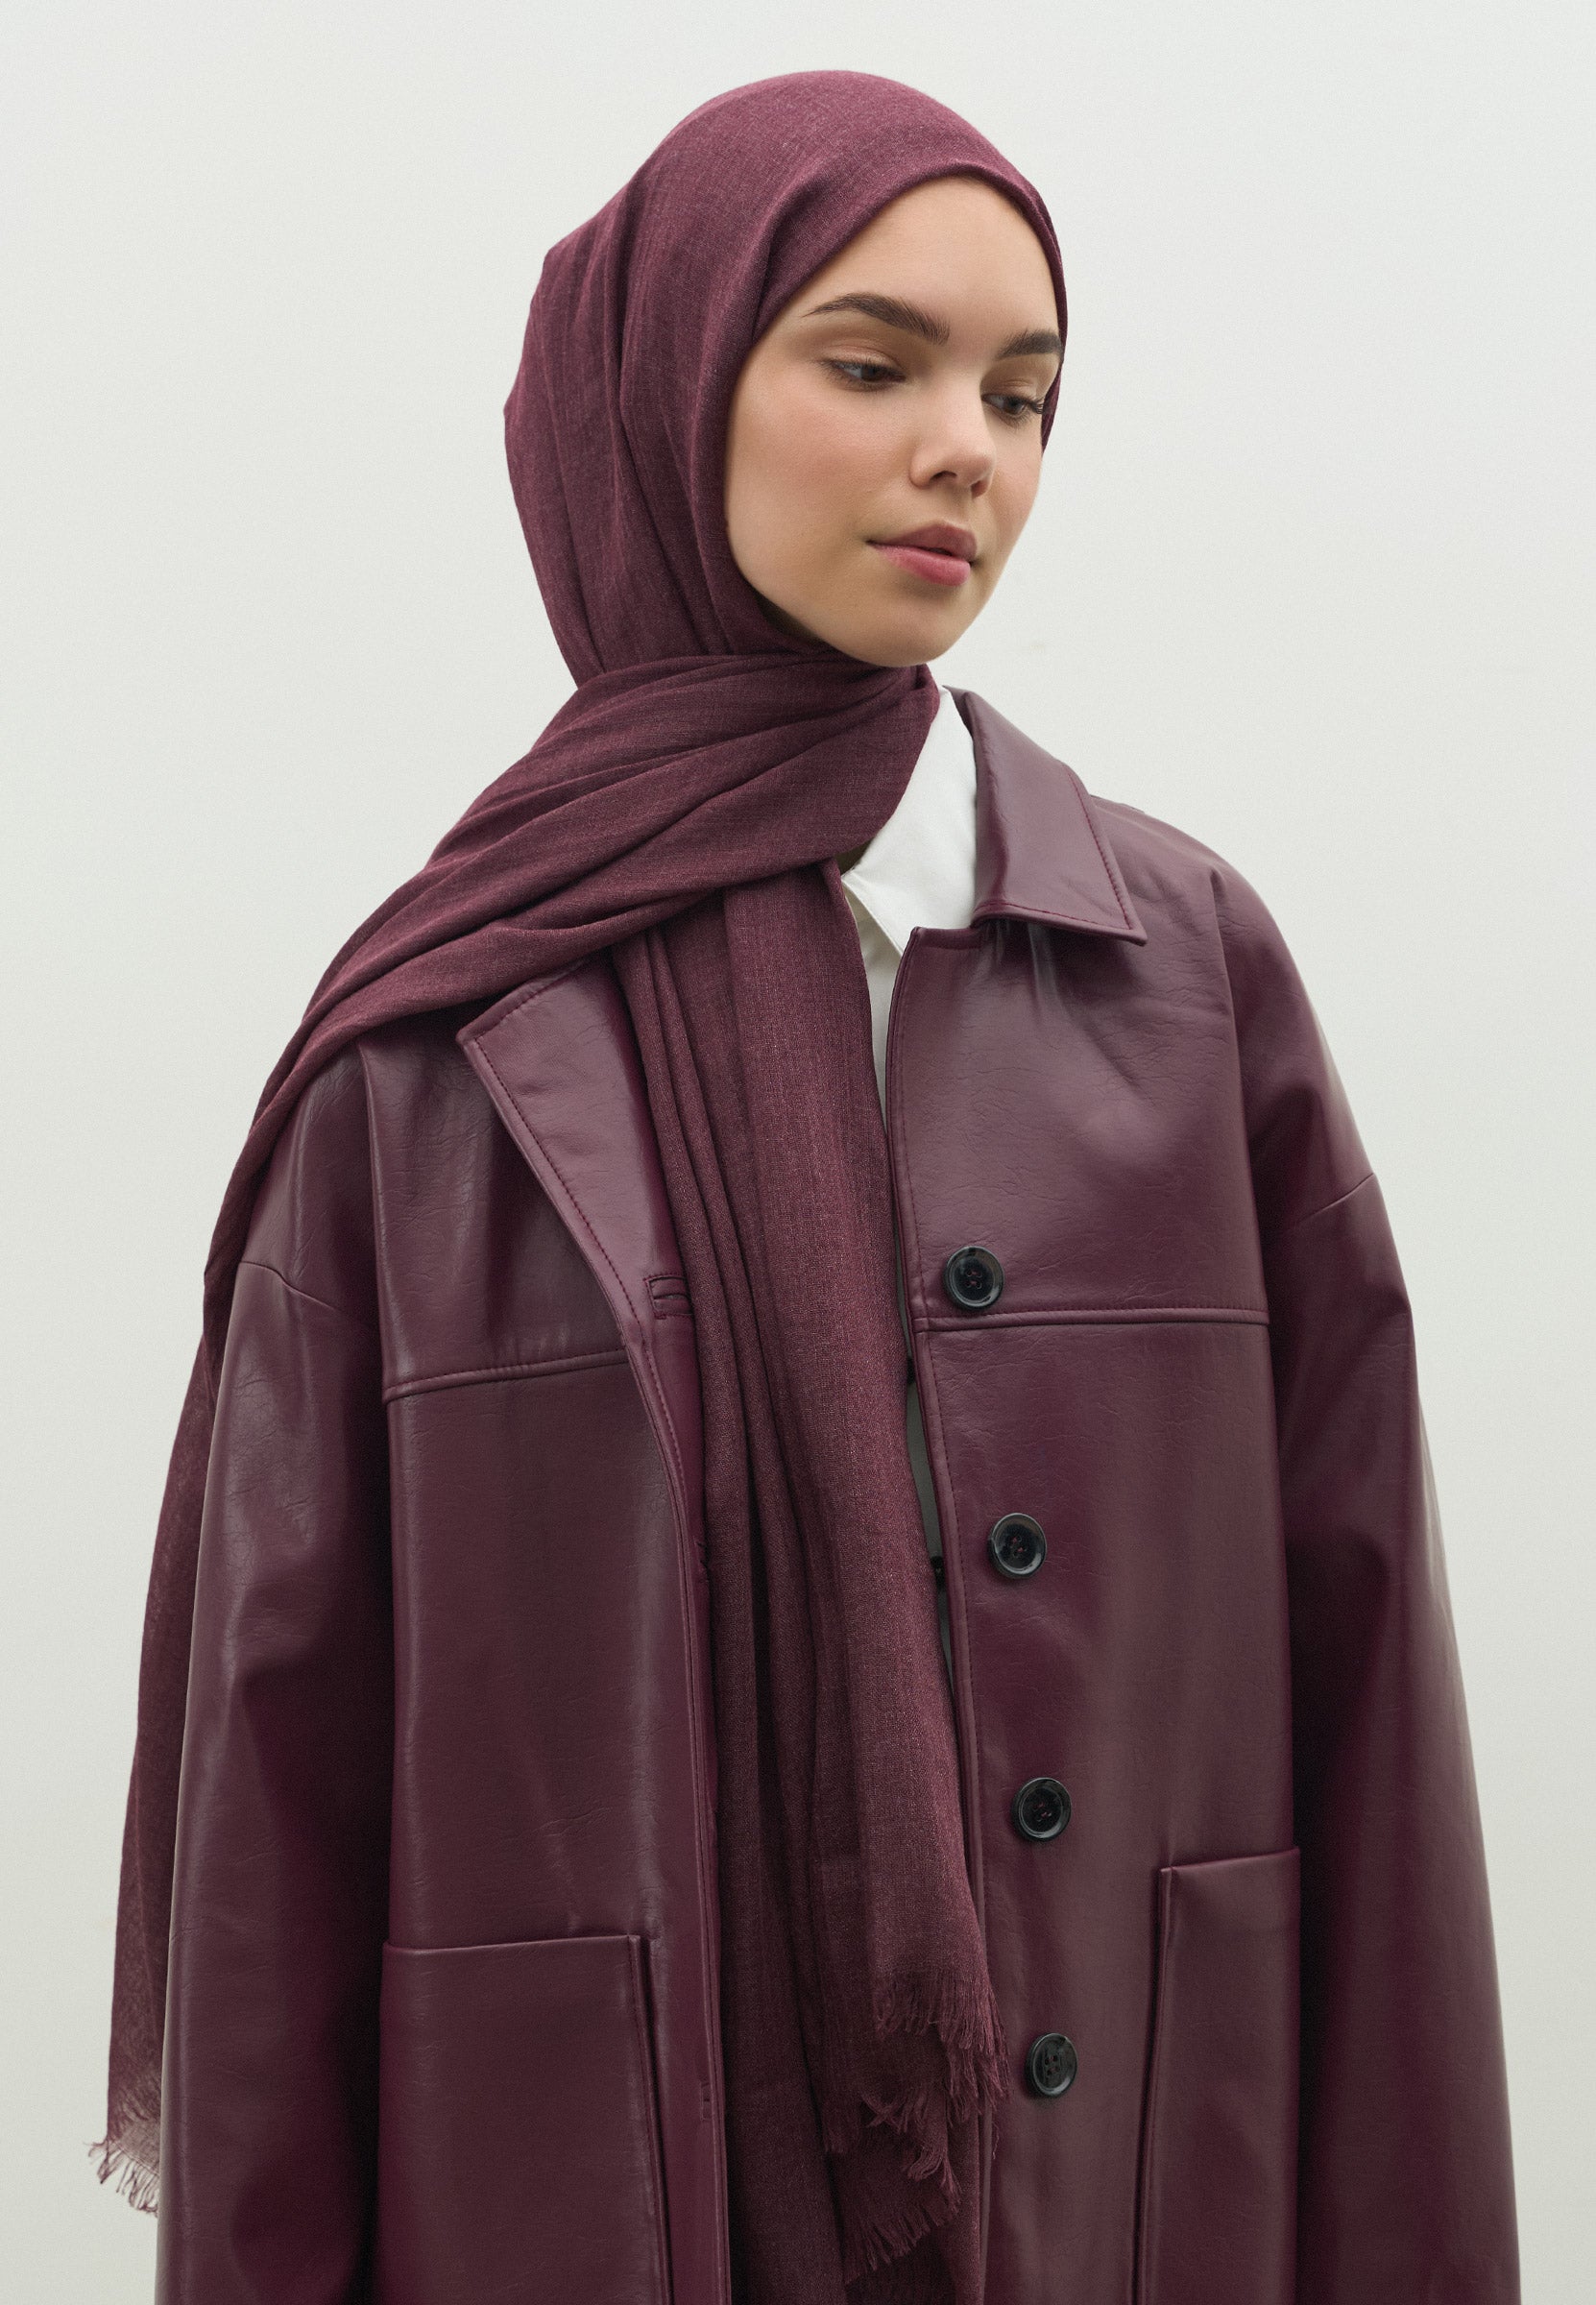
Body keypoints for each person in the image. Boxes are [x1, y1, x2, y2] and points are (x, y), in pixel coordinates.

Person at [94, 68, 1519, 2305]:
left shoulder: (1190, 983)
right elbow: (276, 1823)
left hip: (1133, 2215)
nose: (971, 449)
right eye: (875, 366)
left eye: (1025, 395)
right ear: (665, 396)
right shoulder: (427, 1054)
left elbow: (1378, 1731)